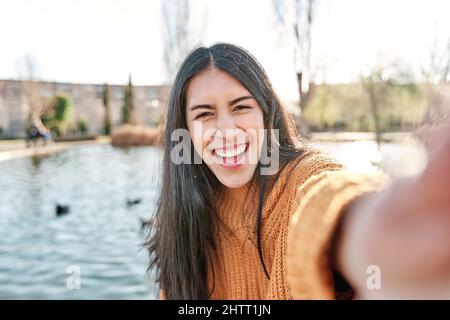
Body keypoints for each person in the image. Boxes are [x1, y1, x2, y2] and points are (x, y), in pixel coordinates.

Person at [147, 43, 450, 299]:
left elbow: (330, 197)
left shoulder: (301, 176)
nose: (226, 131)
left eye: (241, 108)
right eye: (205, 114)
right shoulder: (181, 218)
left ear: (267, 117)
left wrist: (375, 236)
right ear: (185, 129)